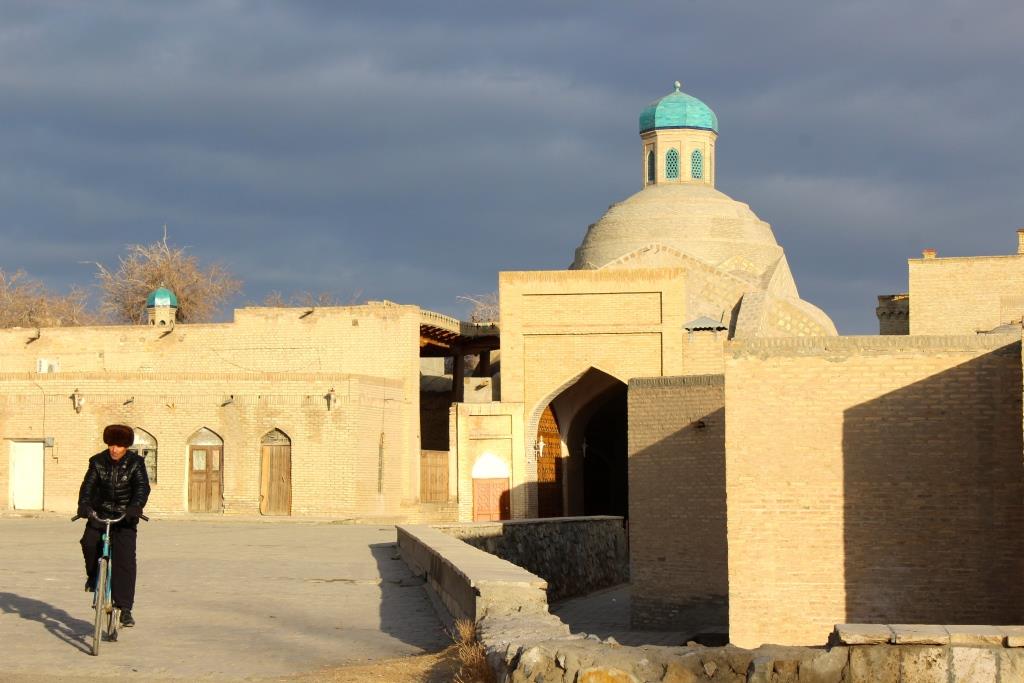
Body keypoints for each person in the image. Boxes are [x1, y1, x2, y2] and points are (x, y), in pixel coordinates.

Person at [77, 424, 151, 627]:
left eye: (119, 445)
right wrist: (84, 505)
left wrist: (135, 507)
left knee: (125, 561)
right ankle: (93, 578)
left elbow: (142, 488)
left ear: (126, 447)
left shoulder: (136, 463)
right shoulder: (97, 461)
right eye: (111, 444)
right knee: (88, 543)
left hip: (124, 518)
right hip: (99, 514)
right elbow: (88, 486)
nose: (114, 449)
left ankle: (125, 608)